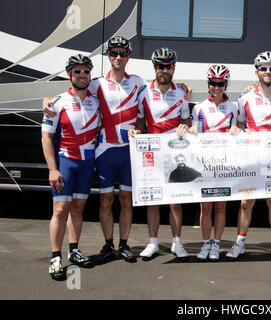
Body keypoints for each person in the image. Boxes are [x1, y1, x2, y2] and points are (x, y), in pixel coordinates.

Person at [43, 36, 145, 263]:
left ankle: (124, 244)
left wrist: (184, 89)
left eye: (123, 53)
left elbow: (146, 109)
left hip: (129, 151)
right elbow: (71, 92)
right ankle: (108, 244)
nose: (119, 57)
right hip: (104, 151)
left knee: (127, 200)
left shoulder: (138, 82)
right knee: (106, 200)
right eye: (114, 53)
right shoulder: (96, 83)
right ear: (109, 56)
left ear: (128, 56)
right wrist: (47, 99)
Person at [226, 51, 271, 263]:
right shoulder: (245, 98)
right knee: (246, 203)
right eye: (263, 68)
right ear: (256, 72)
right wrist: (237, 130)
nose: (267, 71)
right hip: (252, 157)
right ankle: (239, 243)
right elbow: (240, 124)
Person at [129, 47, 192, 260]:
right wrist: (137, 131)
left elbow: (186, 120)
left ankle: (177, 242)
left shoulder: (182, 93)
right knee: (153, 199)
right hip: (152, 154)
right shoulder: (144, 92)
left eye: (168, 66)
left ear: (173, 68)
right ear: (155, 67)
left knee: (175, 201)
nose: (164, 70)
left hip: (175, 152)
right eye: (160, 66)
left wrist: (186, 126)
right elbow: (140, 121)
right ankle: (153, 242)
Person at [41, 54, 99, 280]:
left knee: (77, 209)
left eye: (86, 71)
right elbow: (46, 138)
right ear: (69, 74)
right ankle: (55, 257)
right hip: (65, 161)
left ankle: (74, 250)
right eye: (77, 71)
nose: (82, 75)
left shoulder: (96, 101)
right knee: (60, 210)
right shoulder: (57, 102)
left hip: (87, 162)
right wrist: (52, 169)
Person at [189, 64, 239, 261]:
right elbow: (195, 131)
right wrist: (192, 131)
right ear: (208, 84)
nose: (216, 87)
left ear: (225, 85)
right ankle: (205, 244)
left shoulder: (233, 108)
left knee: (220, 207)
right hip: (205, 165)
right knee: (205, 208)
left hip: (224, 165)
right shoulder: (199, 108)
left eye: (220, 83)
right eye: (213, 83)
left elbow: (239, 131)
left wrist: (237, 131)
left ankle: (216, 244)